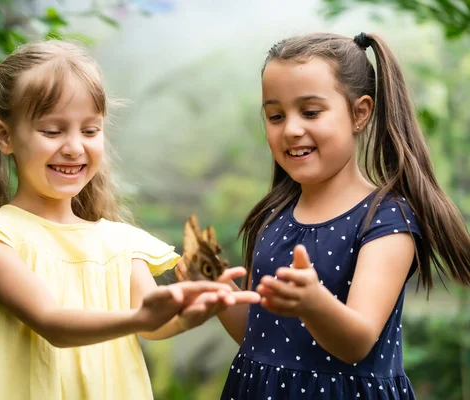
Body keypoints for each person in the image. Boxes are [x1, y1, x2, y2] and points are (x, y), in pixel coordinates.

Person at [0, 40, 260, 400]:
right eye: (52, 131)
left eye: (90, 130)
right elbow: (52, 322)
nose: (74, 147)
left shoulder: (122, 242)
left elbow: (151, 322)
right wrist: (141, 319)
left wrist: (189, 311)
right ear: (4, 135)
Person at [175, 32, 470, 399]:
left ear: (359, 113)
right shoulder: (274, 216)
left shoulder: (386, 220)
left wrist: (314, 304)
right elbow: (262, 336)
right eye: (276, 115)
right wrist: (219, 289)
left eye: (311, 112)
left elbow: (358, 341)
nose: (292, 129)